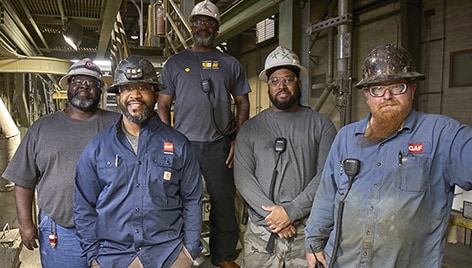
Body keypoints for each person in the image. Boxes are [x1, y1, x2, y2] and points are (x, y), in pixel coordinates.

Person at [305, 43, 472, 268]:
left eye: (397, 86)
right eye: (377, 89)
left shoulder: (442, 135)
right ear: (367, 95)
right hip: (343, 262)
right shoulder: (346, 137)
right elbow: (327, 193)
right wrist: (314, 241)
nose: (387, 96)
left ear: (412, 89)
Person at [73, 56, 203, 268]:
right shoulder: (97, 148)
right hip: (112, 257)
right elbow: (83, 206)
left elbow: (192, 199)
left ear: (155, 94)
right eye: (127, 88)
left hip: (168, 254)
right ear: (118, 96)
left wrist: (189, 250)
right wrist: (93, 256)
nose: (135, 95)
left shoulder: (179, 144)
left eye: (143, 88)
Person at [1, 58, 120, 267]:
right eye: (78, 81)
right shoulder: (43, 128)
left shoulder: (117, 124)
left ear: (100, 90)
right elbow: (23, 179)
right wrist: (26, 223)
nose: (84, 86)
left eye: (91, 82)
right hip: (61, 231)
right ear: (68, 88)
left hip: (111, 231)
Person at [158, 1, 251, 267]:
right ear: (190, 26)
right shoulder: (175, 63)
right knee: (178, 199)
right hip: (184, 145)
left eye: (209, 22)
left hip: (219, 144)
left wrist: (238, 139)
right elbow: (163, 104)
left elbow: (242, 102)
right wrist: (169, 139)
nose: (203, 26)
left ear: (217, 28)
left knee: (223, 201)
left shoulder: (230, 64)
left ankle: (223, 255)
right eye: (198, 21)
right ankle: (181, 252)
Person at [233, 46, 337, 267]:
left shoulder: (321, 125)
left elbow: (326, 176)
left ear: (298, 82)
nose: (281, 86)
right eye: (275, 80)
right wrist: (276, 220)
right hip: (262, 236)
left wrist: (291, 212)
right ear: (268, 85)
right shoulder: (251, 129)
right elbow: (243, 178)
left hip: (305, 234)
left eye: (288, 79)